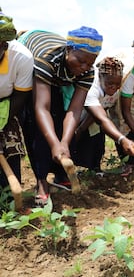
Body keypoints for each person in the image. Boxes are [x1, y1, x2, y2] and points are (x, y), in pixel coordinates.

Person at [19, 26, 103, 205]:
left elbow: (74, 109)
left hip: (59, 77)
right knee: (36, 126)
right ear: (69, 49)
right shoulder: (47, 58)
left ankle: (60, 173)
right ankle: (41, 180)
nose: (84, 67)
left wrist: (64, 142)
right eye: (80, 61)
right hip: (33, 62)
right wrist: (54, 143)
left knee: (61, 117)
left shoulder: (88, 70)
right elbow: (42, 107)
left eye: (90, 63)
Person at [71, 57, 134, 174]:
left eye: (118, 84)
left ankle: (94, 168)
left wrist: (83, 128)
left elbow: (103, 110)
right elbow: (102, 118)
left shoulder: (114, 89)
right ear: (101, 79)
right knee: (74, 141)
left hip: (95, 115)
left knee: (97, 138)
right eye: (110, 83)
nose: (114, 87)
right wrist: (122, 139)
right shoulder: (92, 88)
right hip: (76, 114)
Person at [0, 11, 34, 189]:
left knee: (9, 146)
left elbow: (21, 95)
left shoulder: (21, 57)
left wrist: (1, 123)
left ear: (4, 46)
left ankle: (7, 197)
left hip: (7, 104)